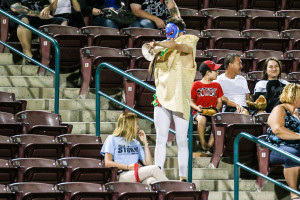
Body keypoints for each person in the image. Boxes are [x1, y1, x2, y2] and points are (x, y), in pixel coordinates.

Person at [148, 18, 199, 181]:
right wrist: (153, 52)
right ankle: (158, 174)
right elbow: (150, 69)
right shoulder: (164, 50)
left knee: (181, 139)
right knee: (161, 138)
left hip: (180, 97)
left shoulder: (188, 42)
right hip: (162, 95)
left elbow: (179, 46)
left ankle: (183, 176)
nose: (169, 36)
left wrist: (161, 44)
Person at [101, 112, 168, 184]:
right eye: (136, 124)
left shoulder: (136, 142)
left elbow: (148, 164)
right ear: (129, 125)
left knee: (152, 181)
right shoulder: (112, 139)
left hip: (137, 173)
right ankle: (176, 190)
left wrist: (145, 143)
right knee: (154, 169)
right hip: (122, 175)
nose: (138, 127)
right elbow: (107, 163)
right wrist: (128, 166)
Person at [3, 0, 68, 63]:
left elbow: (49, 7)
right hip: (17, 18)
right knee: (24, 20)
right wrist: (37, 14)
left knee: (62, 21)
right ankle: (28, 54)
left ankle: (59, 53)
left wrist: (48, 8)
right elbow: (16, 8)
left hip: (38, 18)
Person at [266, 83, 300, 199]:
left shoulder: (296, 113)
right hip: (277, 148)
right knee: (292, 154)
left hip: (295, 145)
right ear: (294, 96)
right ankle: (294, 193)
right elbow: (278, 130)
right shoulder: (279, 109)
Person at [190, 60, 223, 152]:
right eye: (215, 71)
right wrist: (197, 108)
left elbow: (219, 101)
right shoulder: (196, 84)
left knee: (219, 121)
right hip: (199, 112)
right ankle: (203, 143)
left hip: (213, 112)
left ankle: (210, 145)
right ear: (208, 72)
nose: (217, 72)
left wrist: (215, 109)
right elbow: (190, 101)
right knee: (202, 119)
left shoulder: (217, 85)